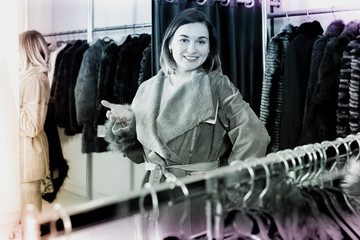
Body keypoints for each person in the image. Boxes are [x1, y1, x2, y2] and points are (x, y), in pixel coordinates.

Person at [102, 8, 270, 238]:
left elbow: (254, 135)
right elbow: (141, 153)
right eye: (184, 40)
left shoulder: (217, 86)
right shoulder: (148, 88)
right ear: (170, 43)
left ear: (210, 47)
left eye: (201, 41)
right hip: (152, 192)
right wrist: (129, 123)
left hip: (196, 196)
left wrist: (231, 184)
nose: (192, 49)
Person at [19, 30, 53, 219]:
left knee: (30, 221)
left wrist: (10, 103)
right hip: (22, 157)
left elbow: (33, 126)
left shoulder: (36, 79)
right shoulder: (27, 77)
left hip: (29, 158)